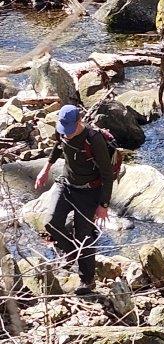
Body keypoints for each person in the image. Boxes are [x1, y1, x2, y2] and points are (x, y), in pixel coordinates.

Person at [35, 105, 113, 295]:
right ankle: (71, 252)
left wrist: (103, 204)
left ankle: (87, 281)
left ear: (79, 122)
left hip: (89, 192)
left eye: (70, 130)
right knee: (51, 222)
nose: (66, 134)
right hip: (66, 184)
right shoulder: (62, 130)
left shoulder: (93, 140)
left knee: (83, 236)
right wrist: (45, 169)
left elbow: (107, 174)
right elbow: (58, 146)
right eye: (64, 130)